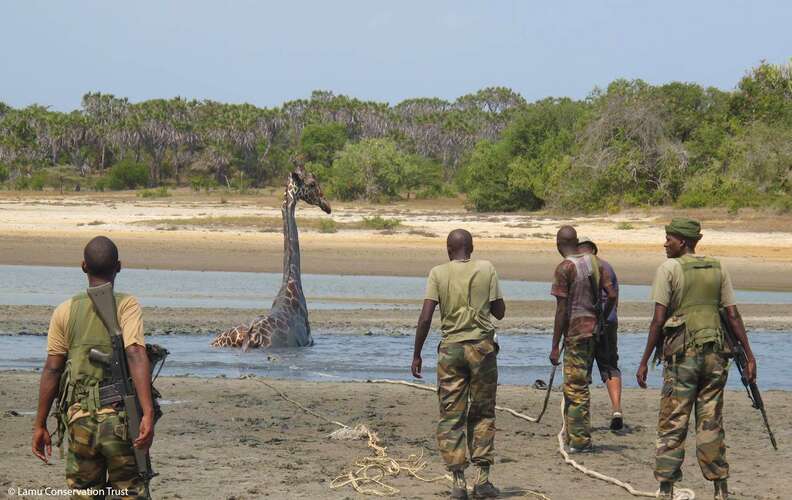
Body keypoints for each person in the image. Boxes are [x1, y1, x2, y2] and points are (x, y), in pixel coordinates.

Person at [636, 218, 757, 500]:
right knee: (710, 421)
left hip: (682, 358)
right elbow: (732, 315)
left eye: (670, 238)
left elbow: (657, 321)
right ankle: (720, 489)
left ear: (684, 242)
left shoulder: (669, 269)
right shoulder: (718, 267)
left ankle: (666, 488)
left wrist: (644, 361)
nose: (665, 243)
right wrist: (749, 355)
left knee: (673, 422)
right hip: (717, 355)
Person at [32, 236, 155, 499]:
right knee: (131, 492)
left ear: (83, 266)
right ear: (119, 266)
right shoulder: (127, 305)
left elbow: (53, 369)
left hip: (80, 421)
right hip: (120, 420)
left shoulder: (64, 311)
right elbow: (135, 353)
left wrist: (39, 424)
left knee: (85, 494)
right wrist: (147, 413)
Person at [412, 229, 505, 499]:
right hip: (482, 349)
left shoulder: (437, 273)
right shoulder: (487, 268)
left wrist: (417, 354)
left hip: (451, 350)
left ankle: (458, 483)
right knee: (484, 412)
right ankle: (484, 480)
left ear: (448, 250)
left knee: (451, 414)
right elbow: (499, 312)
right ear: (472, 247)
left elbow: (426, 317)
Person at [549, 226, 616, 453]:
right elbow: (612, 294)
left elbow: (561, 310)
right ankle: (574, 435)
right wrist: (601, 319)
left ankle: (580, 441)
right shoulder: (594, 263)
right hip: (593, 332)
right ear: (576, 242)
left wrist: (555, 345)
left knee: (576, 388)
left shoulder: (564, 267)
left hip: (576, 334)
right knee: (579, 384)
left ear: (559, 244)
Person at [577, 236, 623, 430]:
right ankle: (616, 409)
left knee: (581, 370)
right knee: (610, 367)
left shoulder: (578, 267)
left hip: (586, 324)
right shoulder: (607, 266)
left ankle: (581, 417)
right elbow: (613, 296)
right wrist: (606, 316)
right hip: (609, 324)